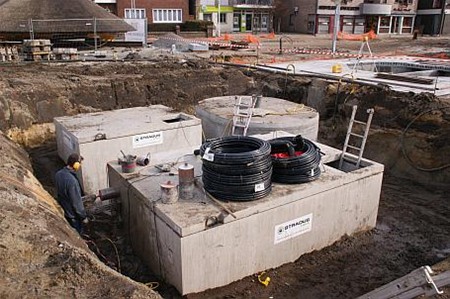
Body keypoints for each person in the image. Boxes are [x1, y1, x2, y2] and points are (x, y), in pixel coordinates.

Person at [55, 153, 88, 234]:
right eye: (80, 164)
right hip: (73, 215)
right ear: (76, 165)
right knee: (77, 234)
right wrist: (83, 217)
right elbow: (76, 203)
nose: (80, 166)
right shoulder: (72, 181)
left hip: (64, 209)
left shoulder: (58, 174)